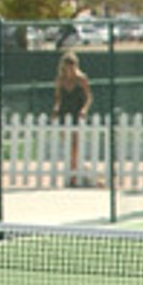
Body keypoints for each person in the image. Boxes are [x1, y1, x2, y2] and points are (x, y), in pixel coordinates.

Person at [52, 51, 93, 186]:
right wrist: (56, 109)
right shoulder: (60, 80)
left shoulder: (82, 79)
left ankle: (74, 174)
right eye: (67, 65)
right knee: (68, 145)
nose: (69, 69)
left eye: (72, 65)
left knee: (76, 145)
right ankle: (72, 171)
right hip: (65, 113)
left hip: (76, 113)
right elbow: (58, 98)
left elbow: (88, 97)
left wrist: (84, 110)